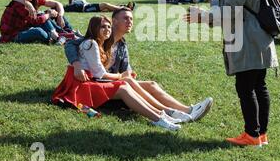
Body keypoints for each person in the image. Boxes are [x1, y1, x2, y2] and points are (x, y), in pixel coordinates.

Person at [185, 0, 279, 147]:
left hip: (248, 40)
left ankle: (252, 135)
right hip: (259, 39)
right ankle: (260, 134)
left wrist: (204, 16)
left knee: (246, 87)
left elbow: (231, 12)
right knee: (258, 86)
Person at [64, 8, 213, 123]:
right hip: (101, 83)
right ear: (114, 21)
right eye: (126, 18)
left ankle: (188, 110)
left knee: (151, 84)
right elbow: (71, 44)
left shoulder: (122, 44)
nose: (130, 22)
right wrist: (77, 65)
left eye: (131, 19)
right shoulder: (99, 38)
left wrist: (130, 74)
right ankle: (167, 112)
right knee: (132, 84)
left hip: (113, 80)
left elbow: (126, 69)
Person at [52, 15, 184, 131]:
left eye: (109, 27)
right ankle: (158, 119)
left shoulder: (98, 43)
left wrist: (125, 76)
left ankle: (161, 115)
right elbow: (100, 74)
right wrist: (121, 76)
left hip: (88, 81)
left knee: (126, 84)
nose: (107, 30)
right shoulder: (91, 43)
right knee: (123, 88)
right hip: (81, 85)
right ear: (94, 28)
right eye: (103, 27)